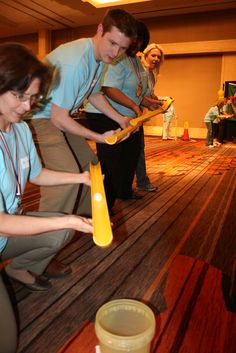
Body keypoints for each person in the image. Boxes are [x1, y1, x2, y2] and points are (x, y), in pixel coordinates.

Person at [0, 43, 94, 353]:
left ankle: (16, 268)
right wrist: (66, 216)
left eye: (33, 99)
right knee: (6, 340)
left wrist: (81, 177)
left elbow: (37, 175)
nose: (27, 107)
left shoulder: (21, 131)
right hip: (3, 228)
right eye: (19, 95)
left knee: (62, 231)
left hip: (5, 235)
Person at [29, 9, 137, 218]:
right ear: (99, 30)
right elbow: (58, 118)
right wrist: (99, 138)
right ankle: (47, 231)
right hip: (36, 118)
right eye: (112, 43)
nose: (115, 53)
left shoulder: (99, 59)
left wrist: (121, 118)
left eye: (122, 48)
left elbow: (94, 95)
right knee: (67, 174)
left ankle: (89, 217)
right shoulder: (77, 61)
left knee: (91, 166)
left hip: (57, 115)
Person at [85, 21, 161, 209]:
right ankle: (104, 206)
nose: (136, 47)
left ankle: (124, 191)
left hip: (128, 116)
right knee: (111, 162)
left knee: (131, 155)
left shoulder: (135, 60)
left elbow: (135, 92)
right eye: (134, 43)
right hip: (105, 115)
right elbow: (110, 89)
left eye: (140, 44)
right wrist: (134, 106)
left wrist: (147, 102)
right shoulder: (117, 58)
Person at [135, 43, 164, 192]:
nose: (156, 59)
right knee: (135, 149)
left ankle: (140, 181)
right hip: (129, 114)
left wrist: (158, 101)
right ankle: (140, 182)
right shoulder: (140, 71)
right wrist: (156, 103)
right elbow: (139, 96)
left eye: (159, 56)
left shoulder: (151, 75)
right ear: (145, 55)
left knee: (138, 149)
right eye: (153, 55)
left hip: (138, 115)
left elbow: (148, 95)